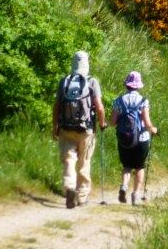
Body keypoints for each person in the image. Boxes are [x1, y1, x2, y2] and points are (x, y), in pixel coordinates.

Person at [52, 50, 107, 209]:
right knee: (84, 161)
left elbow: (56, 107)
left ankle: (69, 187)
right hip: (86, 130)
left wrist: (54, 126)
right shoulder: (92, 82)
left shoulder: (64, 81)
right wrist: (102, 123)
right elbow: (100, 107)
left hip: (66, 128)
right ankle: (82, 196)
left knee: (69, 159)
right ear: (87, 63)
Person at [109, 71, 158, 205]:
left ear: (127, 85)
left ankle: (124, 186)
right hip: (141, 139)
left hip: (124, 139)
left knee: (126, 166)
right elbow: (147, 123)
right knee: (139, 167)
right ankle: (135, 194)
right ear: (138, 86)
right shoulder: (143, 101)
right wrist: (153, 129)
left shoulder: (118, 101)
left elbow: (112, 123)